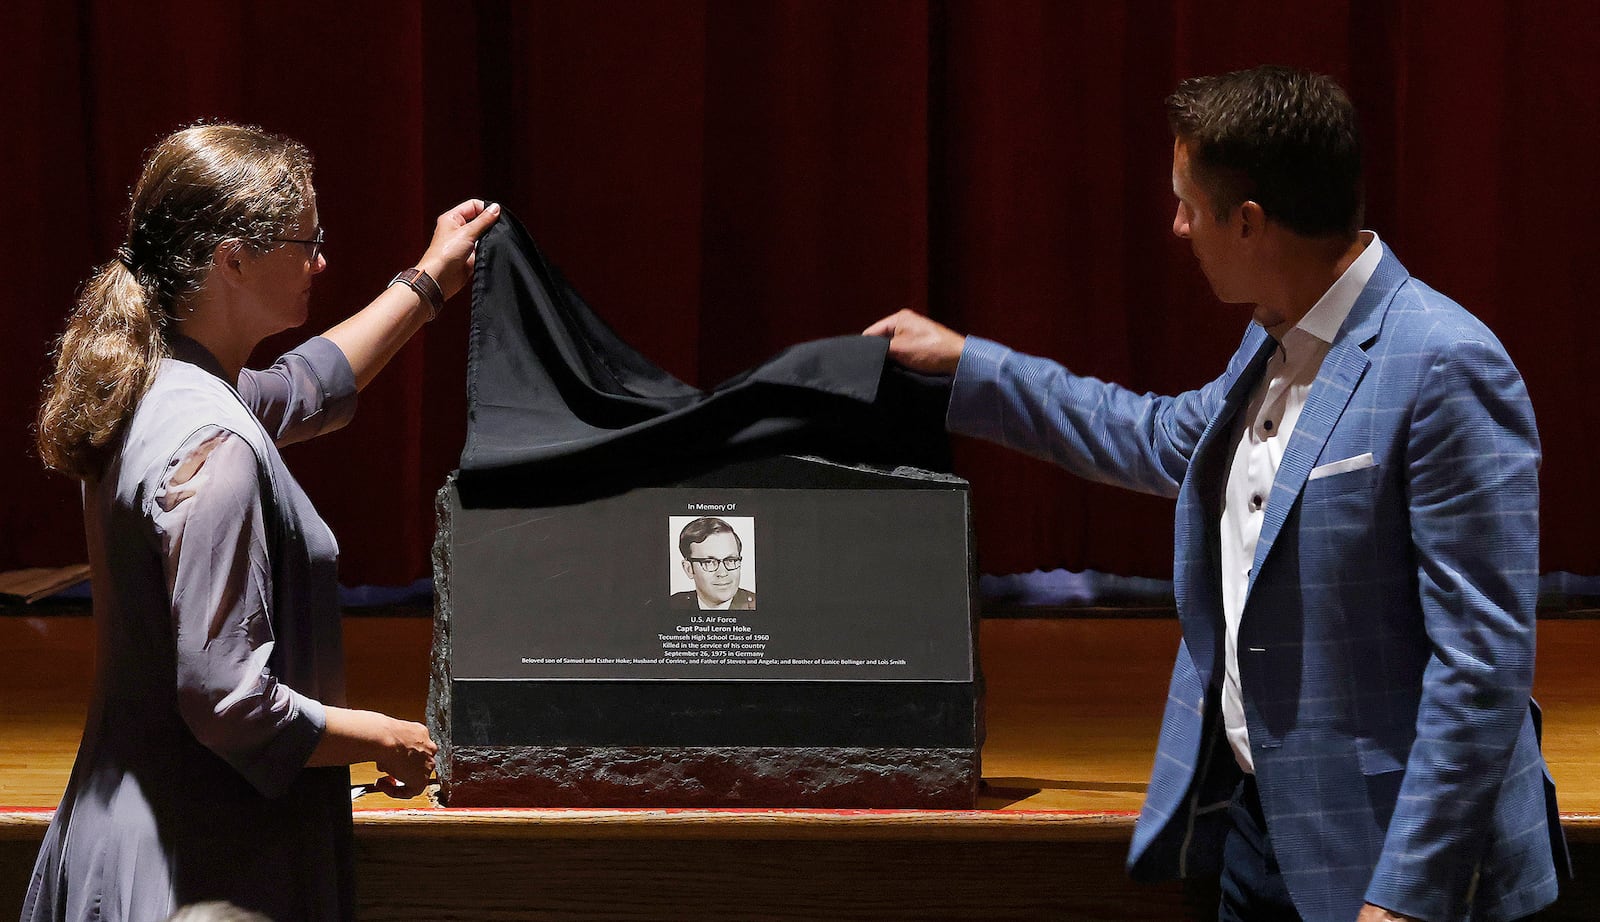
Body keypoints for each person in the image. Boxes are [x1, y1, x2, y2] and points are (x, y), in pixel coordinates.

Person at [866, 66, 1565, 922]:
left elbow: (1482, 667)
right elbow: (1159, 438)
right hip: (1262, 837)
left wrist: (1406, 900)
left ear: (1249, 223)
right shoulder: (1276, 339)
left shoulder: (1445, 364)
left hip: (1391, 868)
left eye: (1187, 204)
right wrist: (970, 363)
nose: (1177, 226)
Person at [25, 123, 500, 920]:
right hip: (197, 871)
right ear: (233, 259)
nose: (320, 260)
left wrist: (426, 282)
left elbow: (304, 385)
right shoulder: (214, 441)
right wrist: (388, 737)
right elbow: (228, 699)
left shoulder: (154, 385)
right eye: (305, 240)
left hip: (134, 836)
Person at [670, 516, 756, 610]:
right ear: (688, 569)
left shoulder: (759, 606)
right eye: (709, 562)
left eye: (731, 560)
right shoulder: (672, 605)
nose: (722, 573)